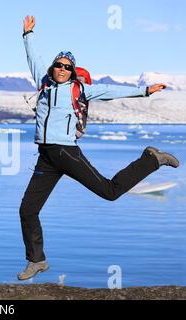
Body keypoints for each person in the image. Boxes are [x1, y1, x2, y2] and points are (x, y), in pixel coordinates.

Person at [18, 15, 180, 281]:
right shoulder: (44, 84)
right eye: (58, 65)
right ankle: (36, 260)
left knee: (109, 192)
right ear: (53, 67)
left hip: (66, 153)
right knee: (28, 209)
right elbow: (33, 58)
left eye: (67, 67)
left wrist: (144, 91)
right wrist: (28, 35)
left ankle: (151, 159)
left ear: (72, 71)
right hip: (46, 157)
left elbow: (111, 90)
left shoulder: (79, 90)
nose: (62, 69)